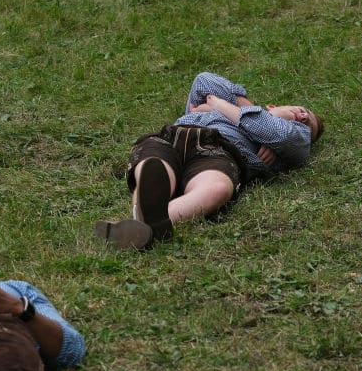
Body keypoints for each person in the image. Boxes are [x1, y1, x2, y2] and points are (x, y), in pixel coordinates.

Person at [95, 72, 325, 249]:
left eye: (306, 123)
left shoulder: (296, 141)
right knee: (155, 168)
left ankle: (144, 226)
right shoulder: (256, 118)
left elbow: (282, 135)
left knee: (216, 188)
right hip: (172, 137)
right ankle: (149, 212)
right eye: (302, 110)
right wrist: (246, 114)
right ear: (271, 106)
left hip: (221, 151)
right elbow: (204, 80)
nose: (303, 117)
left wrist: (218, 106)